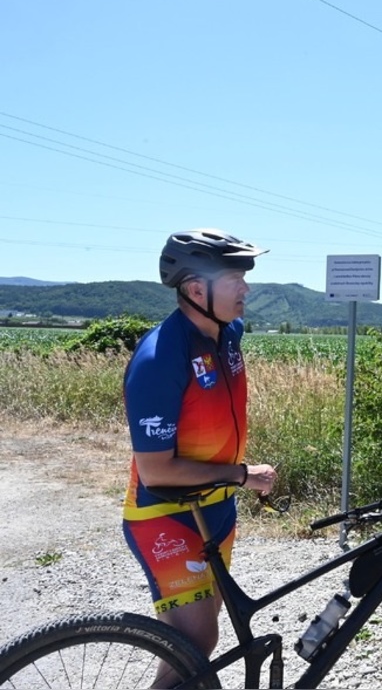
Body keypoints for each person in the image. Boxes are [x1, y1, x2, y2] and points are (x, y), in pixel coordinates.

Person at [122, 229, 278, 685]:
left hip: (215, 508)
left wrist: (232, 481)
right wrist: (242, 474)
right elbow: (156, 469)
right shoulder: (159, 358)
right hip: (166, 516)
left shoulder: (229, 333)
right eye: (235, 278)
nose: (246, 288)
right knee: (197, 642)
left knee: (186, 650)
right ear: (194, 289)